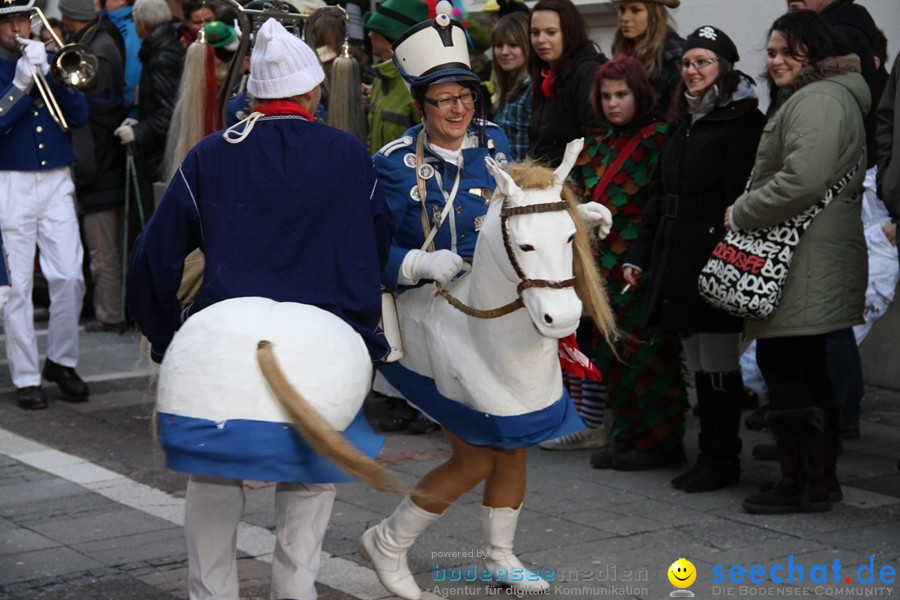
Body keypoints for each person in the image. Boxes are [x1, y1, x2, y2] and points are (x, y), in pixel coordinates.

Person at [126, 19, 393, 598]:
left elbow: (154, 253)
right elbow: (373, 250)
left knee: (214, 474)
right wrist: (363, 336)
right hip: (323, 340)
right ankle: (294, 592)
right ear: (312, 91)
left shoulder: (211, 155)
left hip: (226, 340)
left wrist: (165, 333)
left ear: (252, 96)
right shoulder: (347, 154)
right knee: (311, 479)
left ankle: (211, 592)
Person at [359, 6, 612, 599]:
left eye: (465, 97)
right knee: (474, 455)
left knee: (514, 441)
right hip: (427, 315)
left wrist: (576, 216)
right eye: (443, 99)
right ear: (422, 104)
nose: (458, 109)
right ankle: (389, 541)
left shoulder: (494, 143)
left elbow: (527, 208)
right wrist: (415, 263)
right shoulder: (393, 166)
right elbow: (359, 252)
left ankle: (499, 553)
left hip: (496, 317)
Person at [736, 10, 869, 514]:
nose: (773, 62)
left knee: (787, 364)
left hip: (803, 256)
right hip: (812, 253)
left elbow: (802, 180)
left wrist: (742, 210)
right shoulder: (825, 96)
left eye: (783, 51)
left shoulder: (818, 100)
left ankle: (801, 484)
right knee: (807, 366)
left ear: (810, 51)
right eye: (769, 52)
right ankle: (819, 478)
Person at [619, 26, 766, 477]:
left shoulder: (743, 122)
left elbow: (740, 196)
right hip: (677, 256)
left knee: (719, 361)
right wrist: (639, 256)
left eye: (704, 61)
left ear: (724, 67)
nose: (693, 70)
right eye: (687, 63)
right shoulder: (683, 121)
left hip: (715, 257)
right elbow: (659, 195)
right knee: (699, 361)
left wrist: (725, 254)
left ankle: (721, 456)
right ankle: (709, 453)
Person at [544, 56, 687, 458]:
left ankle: (661, 441)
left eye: (621, 94)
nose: (613, 103)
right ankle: (628, 432)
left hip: (640, 262)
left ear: (639, 94)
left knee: (648, 353)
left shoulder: (659, 137)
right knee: (610, 351)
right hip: (599, 265)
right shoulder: (599, 141)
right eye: (606, 96)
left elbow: (657, 205)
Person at [0, 0, 90, 410]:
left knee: (70, 275)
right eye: (10, 22)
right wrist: (20, 84)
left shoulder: (47, 56)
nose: (18, 28)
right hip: (11, 179)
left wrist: (59, 77)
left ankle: (61, 360)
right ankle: (25, 375)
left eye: (23, 19)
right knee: (17, 285)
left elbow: (79, 115)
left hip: (56, 176)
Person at [60, 0, 129, 334]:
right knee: (106, 251)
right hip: (104, 167)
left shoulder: (96, 50)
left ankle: (110, 314)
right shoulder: (101, 39)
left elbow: (94, 116)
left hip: (100, 170)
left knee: (104, 253)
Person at [115, 0, 184, 203]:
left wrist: (138, 131)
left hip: (161, 155)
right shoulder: (163, 48)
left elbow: (169, 113)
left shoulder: (161, 57)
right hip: (159, 150)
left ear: (142, 25)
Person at [528, 0, 607, 166]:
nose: (541, 40)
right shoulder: (544, 71)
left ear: (569, 32)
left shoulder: (588, 73)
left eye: (551, 32)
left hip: (573, 184)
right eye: (535, 33)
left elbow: (595, 140)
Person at [362, 0, 428, 155]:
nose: (369, 35)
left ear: (389, 40)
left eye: (374, 31)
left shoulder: (416, 82)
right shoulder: (380, 77)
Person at [610, 0, 683, 117]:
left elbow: (683, 108)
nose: (625, 18)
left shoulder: (672, 52)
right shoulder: (624, 49)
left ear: (654, 15)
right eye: (622, 10)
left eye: (635, 10)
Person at [490, 11, 532, 160]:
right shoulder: (506, 88)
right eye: (499, 45)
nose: (504, 52)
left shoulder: (532, 89)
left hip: (525, 180)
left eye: (513, 45)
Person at [101, 0, 142, 119]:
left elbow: (132, 76)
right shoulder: (114, 24)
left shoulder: (129, 29)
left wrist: (123, 107)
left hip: (127, 112)